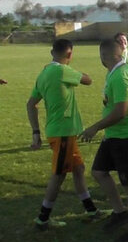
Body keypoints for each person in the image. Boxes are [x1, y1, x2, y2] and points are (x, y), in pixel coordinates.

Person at [27, 39, 103, 230]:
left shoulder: (43, 73)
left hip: (60, 132)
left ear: (52, 52)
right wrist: (73, 69)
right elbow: (88, 79)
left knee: (78, 169)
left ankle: (91, 210)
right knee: (58, 175)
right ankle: (42, 219)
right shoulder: (62, 71)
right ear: (69, 54)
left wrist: (35, 132)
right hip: (63, 133)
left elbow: (31, 104)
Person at [80, 39, 128, 242]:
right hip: (115, 135)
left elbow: (121, 112)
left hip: (126, 136)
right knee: (99, 172)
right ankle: (120, 212)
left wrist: (95, 127)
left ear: (105, 56)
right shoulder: (117, 72)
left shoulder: (121, 76)